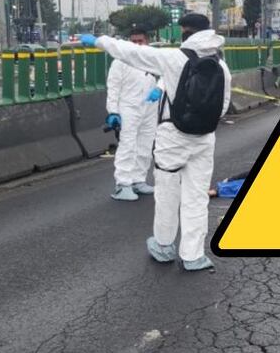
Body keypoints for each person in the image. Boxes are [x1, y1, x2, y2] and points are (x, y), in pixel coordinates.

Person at [87, 14, 231, 272]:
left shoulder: (173, 57)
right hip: (204, 139)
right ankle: (193, 255)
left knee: (167, 193)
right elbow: (222, 106)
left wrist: (100, 40)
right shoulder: (221, 65)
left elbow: (130, 52)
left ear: (185, 32)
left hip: (173, 137)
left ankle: (164, 246)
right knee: (197, 197)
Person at [105, 27, 160, 202]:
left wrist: (159, 89)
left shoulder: (153, 59)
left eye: (140, 41)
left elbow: (168, 75)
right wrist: (113, 112)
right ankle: (122, 184)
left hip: (149, 107)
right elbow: (113, 87)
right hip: (128, 107)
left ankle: (138, 180)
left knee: (145, 145)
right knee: (128, 145)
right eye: (134, 41)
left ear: (147, 41)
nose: (137, 44)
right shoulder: (121, 61)